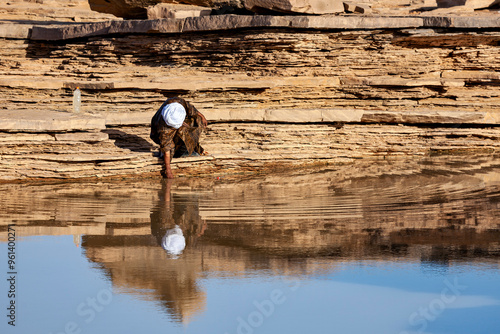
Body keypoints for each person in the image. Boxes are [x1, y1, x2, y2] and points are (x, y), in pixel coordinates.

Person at [150, 97, 208, 179]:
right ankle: (179, 152)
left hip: (175, 122)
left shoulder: (177, 102)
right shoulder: (163, 130)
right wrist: (168, 170)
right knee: (171, 148)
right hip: (158, 134)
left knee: (196, 120)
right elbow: (167, 148)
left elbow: (190, 109)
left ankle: (189, 148)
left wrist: (202, 116)